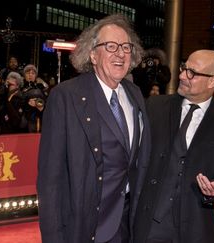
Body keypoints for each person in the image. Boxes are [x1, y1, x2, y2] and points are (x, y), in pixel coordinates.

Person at [36, 14, 151, 243]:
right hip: (85, 225)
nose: (120, 53)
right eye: (110, 46)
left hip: (128, 224)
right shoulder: (66, 96)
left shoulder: (134, 93)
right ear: (92, 55)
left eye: (126, 47)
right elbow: (50, 179)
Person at [134, 49, 214, 243]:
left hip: (194, 228)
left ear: (212, 81)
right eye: (184, 68)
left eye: (192, 73)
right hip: (148, 223)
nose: (182, 75)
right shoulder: (155, 107)